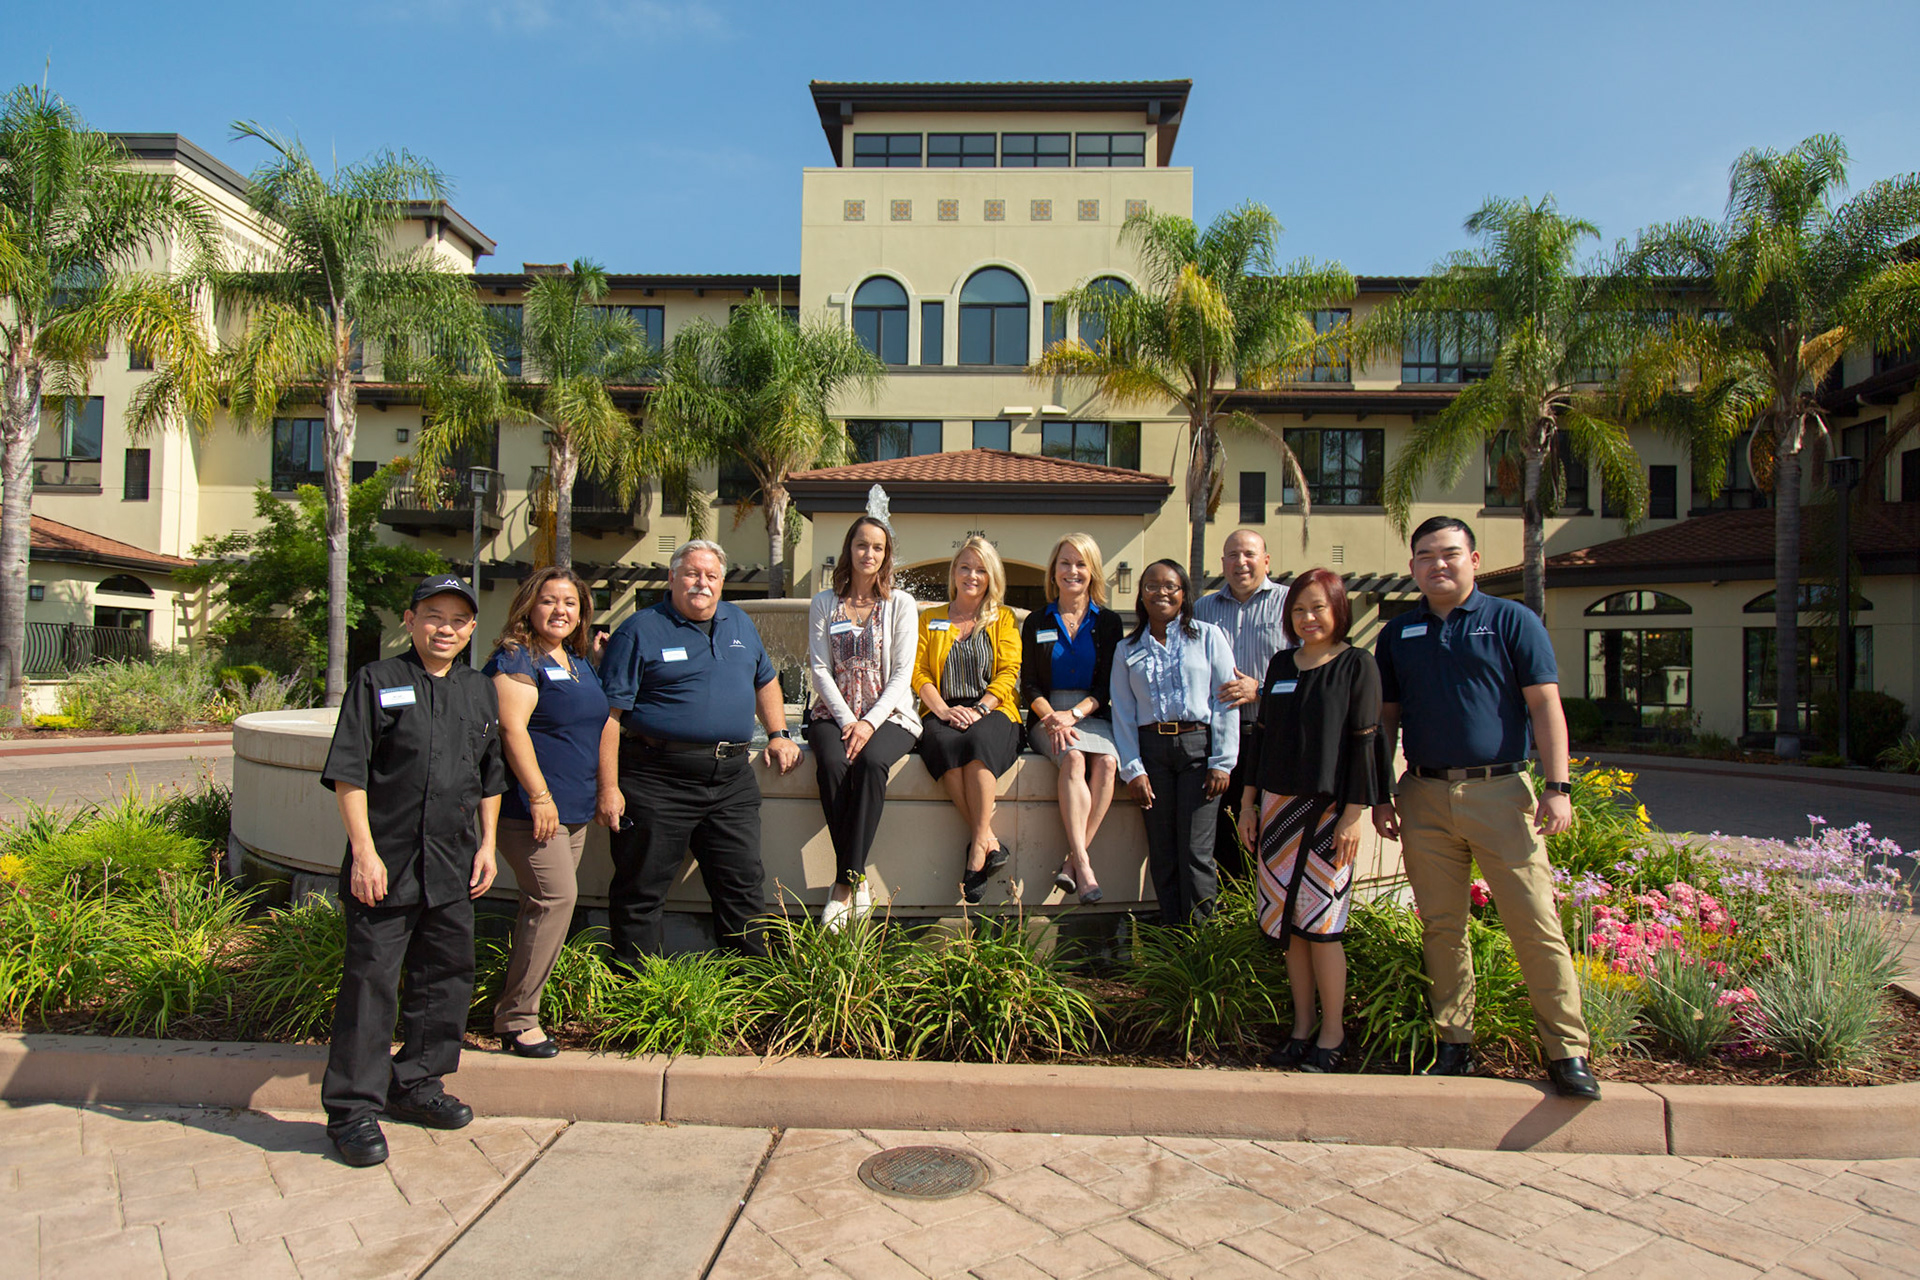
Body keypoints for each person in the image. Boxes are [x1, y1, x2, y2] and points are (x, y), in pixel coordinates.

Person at [1372, 516, 1600, 1100]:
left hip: (1501, 794)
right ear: (1412, 567)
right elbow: (1386, 720)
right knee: (1442, 927)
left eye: (1449, 553)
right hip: (1423, 795)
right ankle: (1454, 1043)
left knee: (1535, 923)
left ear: (1473, 560)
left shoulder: (1511, 621)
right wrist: (1382, 793)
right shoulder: (1398, 634)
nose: (1438, 564)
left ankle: (1567, 1051)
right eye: (1426, 556)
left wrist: (1558, 787)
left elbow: (1545, 705)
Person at [319, 573, 507, 1168]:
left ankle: (418, 1084)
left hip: (454, 862)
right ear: (410, 620)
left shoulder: (479, 690)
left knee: (445, 978)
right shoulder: (376, 681)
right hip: (388, 862)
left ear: (471, 628)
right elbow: (349, 771)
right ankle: (352, 1111)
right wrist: (364, 852)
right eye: (433, 616)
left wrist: (488, 846)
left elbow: (490, 776)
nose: (445, 628)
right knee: (370, 986)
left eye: (457, 620)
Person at [600, 540, 802, 962]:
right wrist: (608, 787)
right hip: (657, 778)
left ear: (722, 582)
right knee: (641, 890)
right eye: (692, 573)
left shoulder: (739, 622)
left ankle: (751, 984)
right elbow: (609, 715)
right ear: (672, 577)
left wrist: (779, 732)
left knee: (743, 887)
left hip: (731, 781)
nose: (702, 583)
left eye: (711, 576)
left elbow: (765, 679)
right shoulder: (639, 630)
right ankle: (638, 989)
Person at [1237, 568, 1392, 1074]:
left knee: (1323, 927)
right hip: (1277, 811)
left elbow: (1366, 743)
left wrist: (1353, 815)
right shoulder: (1281, 664)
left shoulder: (1357, 664)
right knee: (1290, 929)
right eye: (1299, 609)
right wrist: (1248, 804)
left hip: (1330, 816)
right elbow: (1261, 738)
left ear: (1338, 610)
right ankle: (1302, 1028)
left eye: (1318, 608)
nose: (1308, 618)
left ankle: (1333, 1033)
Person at [482, 567, 619, 1059]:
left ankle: (519, 1005)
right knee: (556, 900)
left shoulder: (576, 659)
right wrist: (540, 797)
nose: (560, 610)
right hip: (532, 810)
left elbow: (595, 721)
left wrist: (606, 788)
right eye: (549, 601)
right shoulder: (516, 658)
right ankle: (517, 1019)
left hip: (574, 807)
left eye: (570, 603)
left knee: (541, 906)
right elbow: (512, 730)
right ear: (529, 606)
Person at [805, 515, 920, 929]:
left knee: (871, 763)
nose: (868, 553)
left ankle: (842, 886)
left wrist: (868, 723)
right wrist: (847, 720)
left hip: (889, 714)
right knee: (832, 764)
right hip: (833, 712)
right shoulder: (824, 602)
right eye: (861, 545)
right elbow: (820, 669)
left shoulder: (900, 604)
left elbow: (903, 673)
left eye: (877, 547)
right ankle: (857, 879)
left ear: (886, 555)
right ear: (849, 549)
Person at [1111, 559, 1239, 926]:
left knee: (1196, 851)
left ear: (1184, 593)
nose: (1161, 593)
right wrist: (1133, 769)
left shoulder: (1209, 636)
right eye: (1151, 586)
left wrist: (1222, 761)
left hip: (1198, 749)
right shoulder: (1127, 649)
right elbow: (1123, 713)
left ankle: (1202, 939)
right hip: (1152, 753)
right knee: (1163, 851)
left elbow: (1225, 700)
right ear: (1141, 594)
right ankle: (1172, 939)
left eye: (1170, 586)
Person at [913, 535, 1024, 906]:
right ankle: (989, 840)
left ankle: (977, 849)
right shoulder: (930, 618)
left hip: (992, 708)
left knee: (977, 743)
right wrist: (943, 711)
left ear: (991, 577)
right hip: (943, 708)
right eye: (965, 567)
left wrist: (980, 709)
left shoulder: (1002, 618)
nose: (972, 576)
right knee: (943, 744)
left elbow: (1009, 673)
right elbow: (918, 673)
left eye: (980, 570)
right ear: (954, 573)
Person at [1020, 532, 1123, 905]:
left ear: (1092, 571)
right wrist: (1052, 717)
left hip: (1090, 711)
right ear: (1053, 570)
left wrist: (1075, 713)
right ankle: (1084, 865)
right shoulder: (1037, 620)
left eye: (1081, 564)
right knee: (1075, 758)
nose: (1072, 571)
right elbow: (1028, 684)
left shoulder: (1108, 622)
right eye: (1065, 563)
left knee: (1108, 762)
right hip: (1047, 714)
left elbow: (1107, 684)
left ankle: (1072, 861)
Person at [1195, 529, 1293, 881]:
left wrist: (1261, 690)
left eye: (1249, 554)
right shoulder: (1202, 609)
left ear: (1266, 560)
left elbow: (1308, 671)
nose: (1241, 562)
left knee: (1271, 832)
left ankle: (1269, 904)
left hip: (1271, 737)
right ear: (1223, 563)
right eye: (1233, 555)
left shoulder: (1289, 604)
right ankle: (1230, 907)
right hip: (1216, 742)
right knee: (1223, 835)